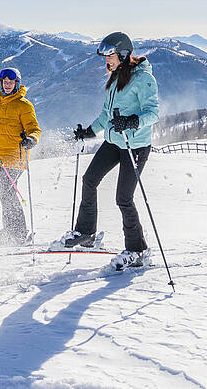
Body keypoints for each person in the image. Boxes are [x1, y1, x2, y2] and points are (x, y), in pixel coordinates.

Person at [57, 31, 159, 270]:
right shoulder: (115, 77)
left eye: (110, 54)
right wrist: (89, 132)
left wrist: (132, 121)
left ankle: (138, 250)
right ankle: (86, 233)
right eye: (104, 55)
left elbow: (153, 113)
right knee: (89, 179)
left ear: (123, 54)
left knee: (123, 198)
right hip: (115, 141)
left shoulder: (144, 79)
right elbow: (106, 115)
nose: (106, 59)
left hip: (135, 144)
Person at [0, 68, 41, 245]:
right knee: (5, 194)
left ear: (17, 83)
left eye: (11, 82)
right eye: (4, 82)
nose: (7, 84)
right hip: (2, 155)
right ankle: (10, 230)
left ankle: (18, 233)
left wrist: (32, 139)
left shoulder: (24, 105)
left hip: (16, 155)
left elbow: (35, 128)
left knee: (8, 193)